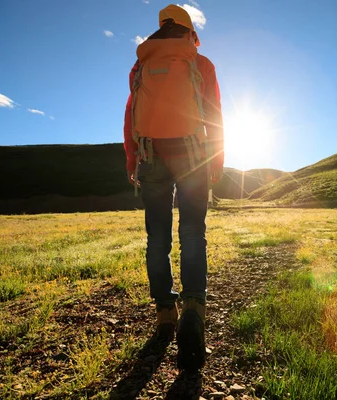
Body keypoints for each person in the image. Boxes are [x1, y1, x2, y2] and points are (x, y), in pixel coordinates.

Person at [122, 4, 224, 370]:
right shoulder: (201, 63)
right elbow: (213, 113)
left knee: (157, 238)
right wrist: (217, 160)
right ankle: (194, 309)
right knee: (193, 231)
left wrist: (133, 159)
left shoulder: (141, 63)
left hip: (150, 154)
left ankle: (165, 313)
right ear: (189, 29)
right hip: (193, 152)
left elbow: (131, 113)